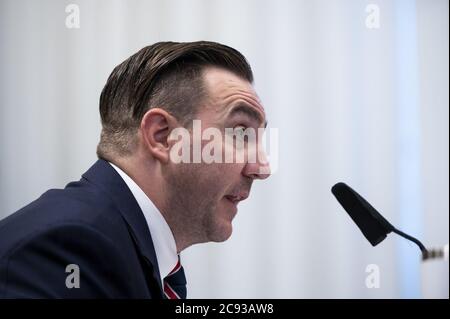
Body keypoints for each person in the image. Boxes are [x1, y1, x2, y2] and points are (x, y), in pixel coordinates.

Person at [0, 41, 270, 298]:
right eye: (240, 133)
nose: (262, 168)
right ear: (163, 136)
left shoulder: (121, 248)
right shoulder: (66, 249)